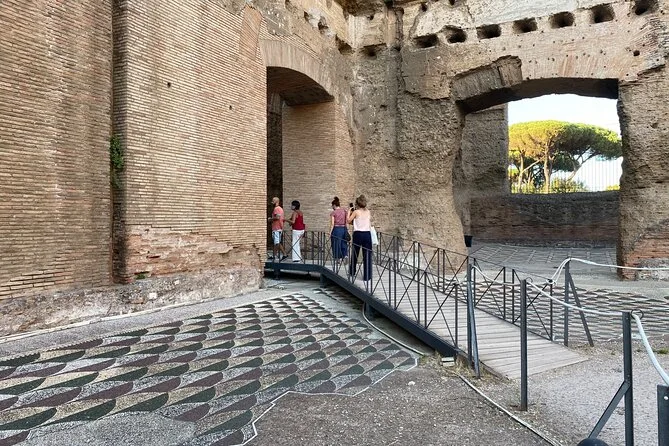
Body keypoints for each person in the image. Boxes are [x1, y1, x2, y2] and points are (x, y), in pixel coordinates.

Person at [347, 194, 373, 288]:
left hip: (358, 234)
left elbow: (348, 220)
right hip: (367, 234)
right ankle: (367, 276)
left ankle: (352, 271)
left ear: (357, 204)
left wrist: (349, 211)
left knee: (355, 253)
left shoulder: (356, 212)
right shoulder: (368, 212)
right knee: (367, 255)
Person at [267, 197, 288, 262]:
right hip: (278, 227)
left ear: (276, 201)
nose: (272, 202)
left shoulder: (276, 209)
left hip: (276, 228)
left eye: (273, 201)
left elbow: (277, 217)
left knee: (277, 242)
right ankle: (274, 255)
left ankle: (284, 254)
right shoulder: (280, 209)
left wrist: (270, 219)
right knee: (276, 242)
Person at [330, 197, 349, 262]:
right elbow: (346, 222)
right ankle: (345, 255)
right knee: (344, 243)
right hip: (344, 228)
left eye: (332, 205)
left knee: (336, 243)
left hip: (336, 229)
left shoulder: (333, 213)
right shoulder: (344, 211)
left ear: (334, 205)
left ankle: (337, 258)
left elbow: (332, 224)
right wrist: (347, 230)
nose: (332, 207)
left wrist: (330, 232)